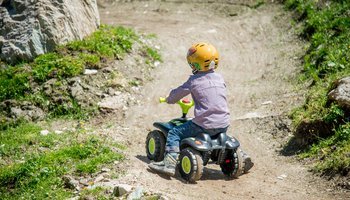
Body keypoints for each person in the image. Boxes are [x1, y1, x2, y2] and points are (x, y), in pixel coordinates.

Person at [148, 42, 253, 176]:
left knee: (174, 133)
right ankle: (241, 156)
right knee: (222, 135)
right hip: (223, 124)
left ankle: (169, 163)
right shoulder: (220, 78)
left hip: (204, 125)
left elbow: (176, 95)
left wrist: (169, 99)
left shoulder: (193, 81)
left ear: (194, 64)